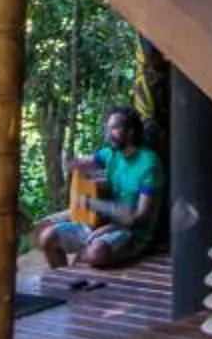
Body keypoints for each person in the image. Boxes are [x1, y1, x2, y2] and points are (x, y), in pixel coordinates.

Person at [34, 106, 162, 271]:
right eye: (108, 129)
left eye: (114, 128)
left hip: (132, 232)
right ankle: (64, 278)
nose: (109, 134)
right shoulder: (110, 153)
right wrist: (69, 160)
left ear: (130, 131)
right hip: (102, 223)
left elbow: (139, 217)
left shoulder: (148, 163)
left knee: (96, 253)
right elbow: (78, 163)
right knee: (47, 238)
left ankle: (83, 255)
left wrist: (92, 205)